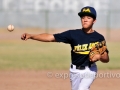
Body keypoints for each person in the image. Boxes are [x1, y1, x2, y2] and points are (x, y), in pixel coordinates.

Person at [21, 6, 109, 90]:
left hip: (90, 70)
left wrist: (100, 57)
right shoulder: (72, 34)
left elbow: (106, 59)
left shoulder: (99, 38)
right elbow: (50, 37)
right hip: (74, 71)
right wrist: (31, 36)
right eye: (83, 17)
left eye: (88, 18)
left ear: (94, 20)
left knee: (83, 89)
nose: (85, 20)